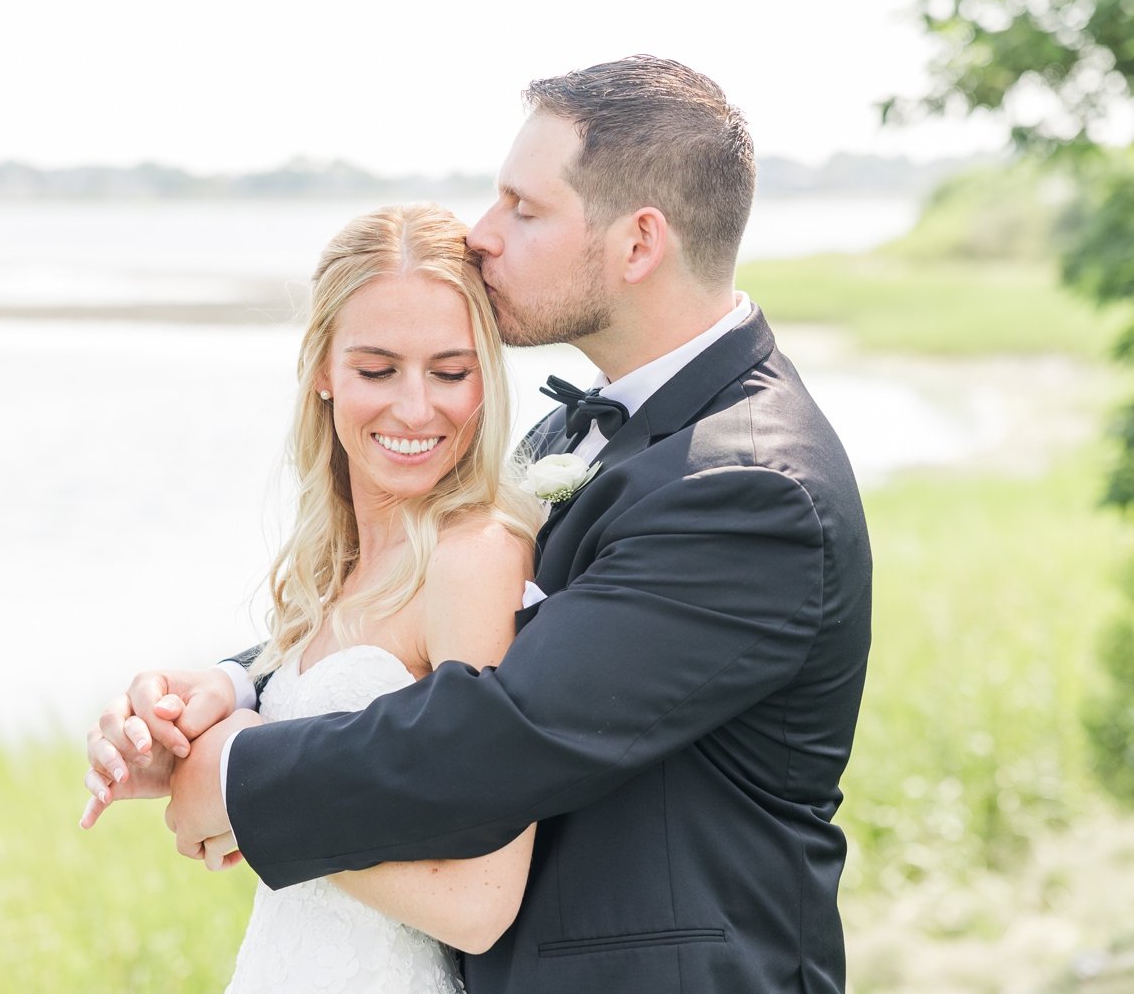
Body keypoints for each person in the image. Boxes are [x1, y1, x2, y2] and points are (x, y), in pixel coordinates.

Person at [87, 55, 872, 993]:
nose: (482, 234)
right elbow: (429, 622)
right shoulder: (581, 429)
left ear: (637, 244)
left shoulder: (749, 486)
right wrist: (230, 687)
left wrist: (235, 778)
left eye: (522, 208)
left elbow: (509, 728)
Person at [85, 201, 548, 991]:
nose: (414, 408)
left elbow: (480, 901)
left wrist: (246, 802)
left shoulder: (473, 560)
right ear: (325, 372)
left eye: (450, 371)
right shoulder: (333, 562)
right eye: (376, 370)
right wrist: (184, 745)